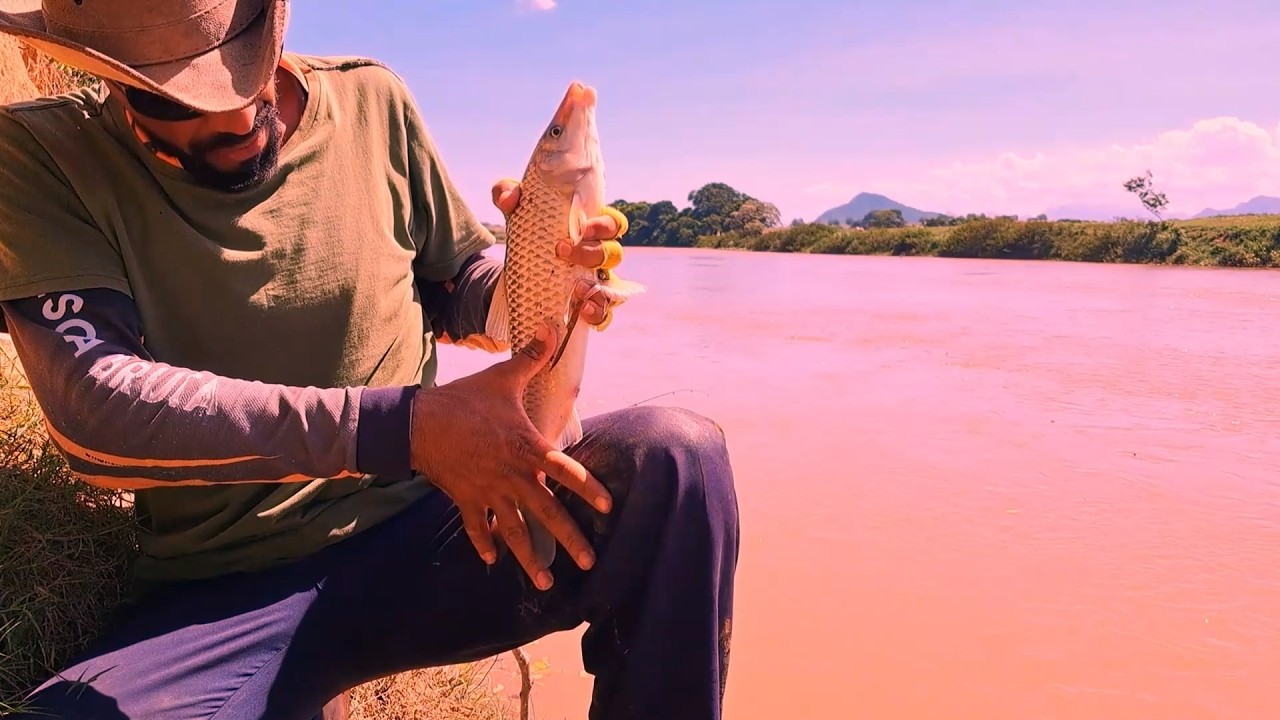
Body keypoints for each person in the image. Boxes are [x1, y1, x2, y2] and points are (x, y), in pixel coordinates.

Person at [0, 1, 740, 718]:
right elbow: (98, 410)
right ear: (100, 72)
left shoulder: (372, 100)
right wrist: (407, 428)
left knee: (677, 461)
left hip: (439, 532)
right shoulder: (41, 157)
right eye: (168, 95)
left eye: (230, 72)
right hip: (226, 587)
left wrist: (545, 282)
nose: (223, 119)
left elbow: (458, 283)